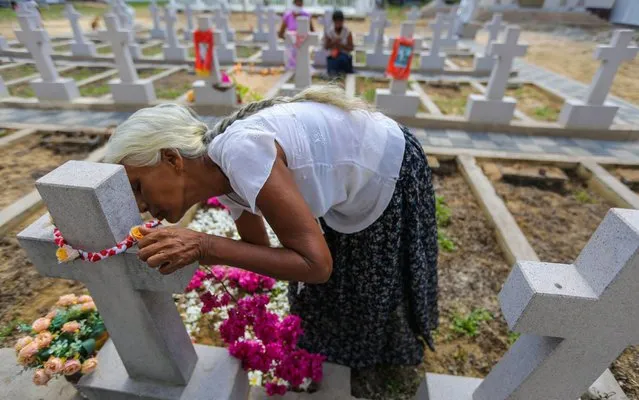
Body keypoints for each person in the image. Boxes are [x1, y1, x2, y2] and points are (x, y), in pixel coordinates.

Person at [104, 86, 439, 384]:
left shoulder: (240, 152)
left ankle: (380, 363)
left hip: (387, 164)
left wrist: (205, 245)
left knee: (371, 278)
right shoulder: (221, 176)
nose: (141, 205)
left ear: (172, 159)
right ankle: (343, 357)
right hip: (350, 176)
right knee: (333, 284)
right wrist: (204, 250)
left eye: (137, 186)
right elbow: (257, 250)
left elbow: (315, 265)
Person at [278, 0, 314, 70]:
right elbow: (280, 34)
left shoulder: (306, 15)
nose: (299, 4)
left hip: (304, 45)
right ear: (294, 3)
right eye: (297, 2)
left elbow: (312, 32)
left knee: (303, 67)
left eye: (300, 2)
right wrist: (291, 40)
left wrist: (302, 40)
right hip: (291, 47)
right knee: (292, 67)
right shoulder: (288, 15)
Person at [323, 10, 354, 77]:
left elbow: (351, 48)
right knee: (332, 61)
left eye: (340, 21)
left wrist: (341, 45)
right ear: (334, 21)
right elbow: (326, 46)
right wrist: (334, 42)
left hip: (345, 56)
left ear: (342, 21)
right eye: (336, 21)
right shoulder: (330, 32)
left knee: (342, 60)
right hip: (333, 56)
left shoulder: (347, 32)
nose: (338, 23)